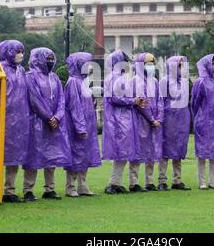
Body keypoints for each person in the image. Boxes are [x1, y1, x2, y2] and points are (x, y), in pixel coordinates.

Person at [22, 48, 71, 201]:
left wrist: (57, 117)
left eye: (52, 59)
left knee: (52, 155)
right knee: (33, 156)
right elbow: (34, 99)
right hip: (36, 122)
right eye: (47, 59)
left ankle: (49, 189)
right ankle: (28, 190)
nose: (50, 62)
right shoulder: (30, 77)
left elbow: (61, 100)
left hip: (54, 124)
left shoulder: (55, 77)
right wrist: (49, 117)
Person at [0, 40, 30, 202]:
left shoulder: (22, 70)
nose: (21, 55)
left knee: (15, 155)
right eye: (17, 51)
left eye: (22, 51)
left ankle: (9, 191)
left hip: (18, 121)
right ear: (9, 52)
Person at [102, 50, 148, 195]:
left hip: (124, 119)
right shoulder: (114, 78)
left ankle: (117, 182)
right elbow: (115, 98)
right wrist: (133, 101)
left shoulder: (121, 78)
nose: (127, 64)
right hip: (117, 120)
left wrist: (136, 100)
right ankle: (112, 183)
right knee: (120, 152)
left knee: (123, 152)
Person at [64, 52, 102, 197]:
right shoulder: (73, 81)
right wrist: (80, 127)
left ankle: (83, 186)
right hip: (77, 127)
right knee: (76, 155)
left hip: (88, 125)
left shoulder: (83, 81)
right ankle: (70, 187)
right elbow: (75, 106)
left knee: (85, 155)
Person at [130, 53, 164, 192]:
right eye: (148, 63)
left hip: (154, 122)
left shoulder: (154, 82)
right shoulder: (136, 81)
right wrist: (152, 119)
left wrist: (159, 119)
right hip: (141, 121)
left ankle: (149, 181)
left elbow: (160, 101)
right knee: (138, 152)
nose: (150, 66)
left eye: (152, 63)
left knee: (151, 151)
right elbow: (141, 103)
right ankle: (134, 182)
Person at [157, 56, 191, 191]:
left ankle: (177, 180)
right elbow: (161, 101)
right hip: (168, 119)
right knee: (165, 150)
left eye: (182, 66)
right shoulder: (164, 81)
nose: (181, 69)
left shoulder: (184, 82)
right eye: (179, 65)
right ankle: (162, 180)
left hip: (181, 119)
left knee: (179, 149)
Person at [191, 54, 214, 190]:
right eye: (213, 63)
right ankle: (202, 182)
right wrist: (198, 117)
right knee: (203, 153)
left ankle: (212, 181)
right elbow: (195, 102)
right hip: (203, 121)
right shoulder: (200, 82)